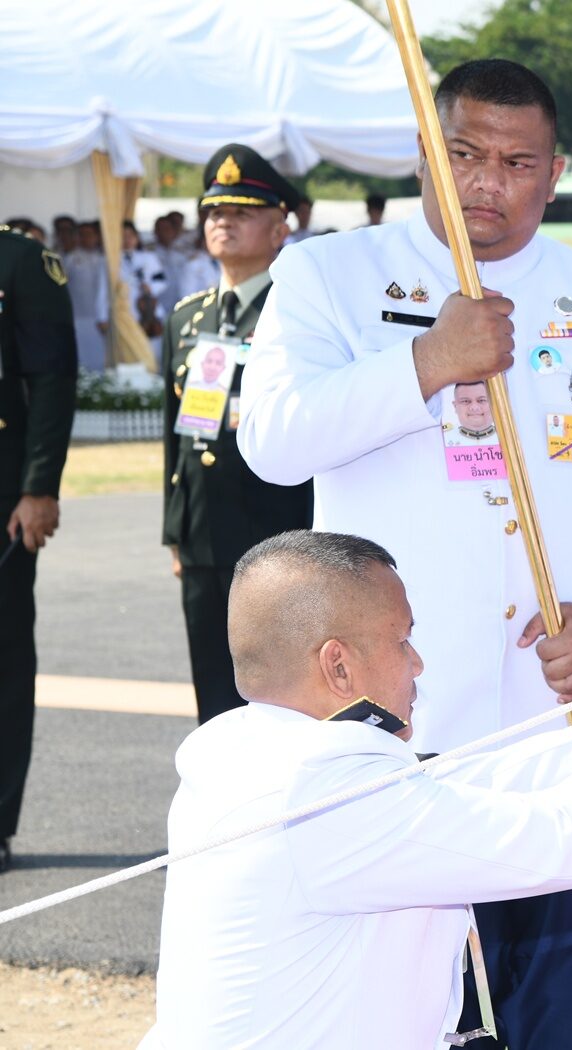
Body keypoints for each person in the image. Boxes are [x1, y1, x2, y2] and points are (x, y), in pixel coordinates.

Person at [238, 59, 572, 1050]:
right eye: (462, 154)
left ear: (553, 174)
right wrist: (425, 361)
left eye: (515, 161)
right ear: (426, 151)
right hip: (401, 736)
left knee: (567, 1013)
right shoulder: (330, 275)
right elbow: (272, 438)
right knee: (411, 1018)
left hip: (561, 725)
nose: (485, 182)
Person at [142, 530, 572, 1048]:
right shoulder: (324, 788)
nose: (418, 662)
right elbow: (564, 843)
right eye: (402, 640)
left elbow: (498, 775)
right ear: (337, 666)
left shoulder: (248, 749)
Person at [162, 144, 315, 724]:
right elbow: (175, 434)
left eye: (243, 211)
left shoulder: (297, 311)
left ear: (280, 228)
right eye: (214, 212)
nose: (223, 222)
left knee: (282, 699)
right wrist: (175, 529)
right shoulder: (189, 315)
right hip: (202, 531)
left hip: (277, 526)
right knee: (213, 695)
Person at [0, 221, 76, 875]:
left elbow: (52, 376)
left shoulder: (22, 261)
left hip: (3, 498)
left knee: (1, 656)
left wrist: (39, 486)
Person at [62, 219, 109, 372]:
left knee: (103, 357)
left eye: (90, 234)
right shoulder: (70, 259)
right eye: (82, 235)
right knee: (82, 356)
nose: (86, 238)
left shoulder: (107, 257)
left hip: (103, 318)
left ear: (97, 236)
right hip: (78, 316)